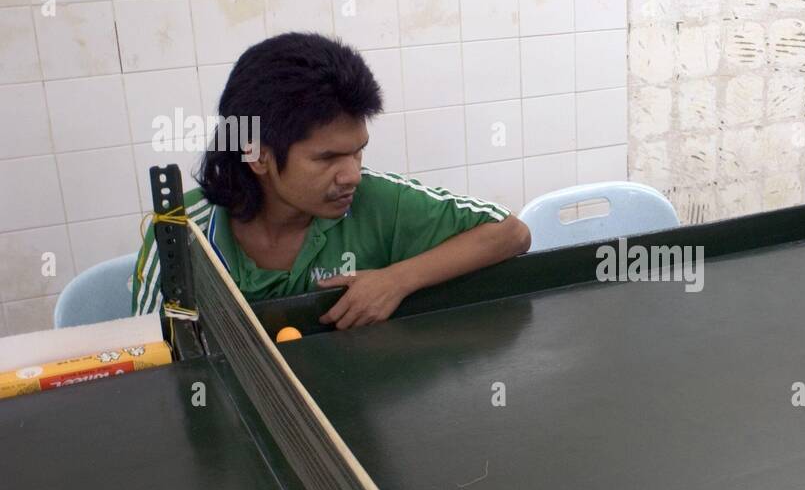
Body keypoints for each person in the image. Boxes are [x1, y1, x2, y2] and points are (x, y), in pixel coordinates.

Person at [132, 32, 530, 329]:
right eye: (326, 158)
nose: (353, 175)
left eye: (358, 150)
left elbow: (510, 233)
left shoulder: (376, 201)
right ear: (256, 154)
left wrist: (396, 280)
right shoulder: (182, 235)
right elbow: (149, 367)